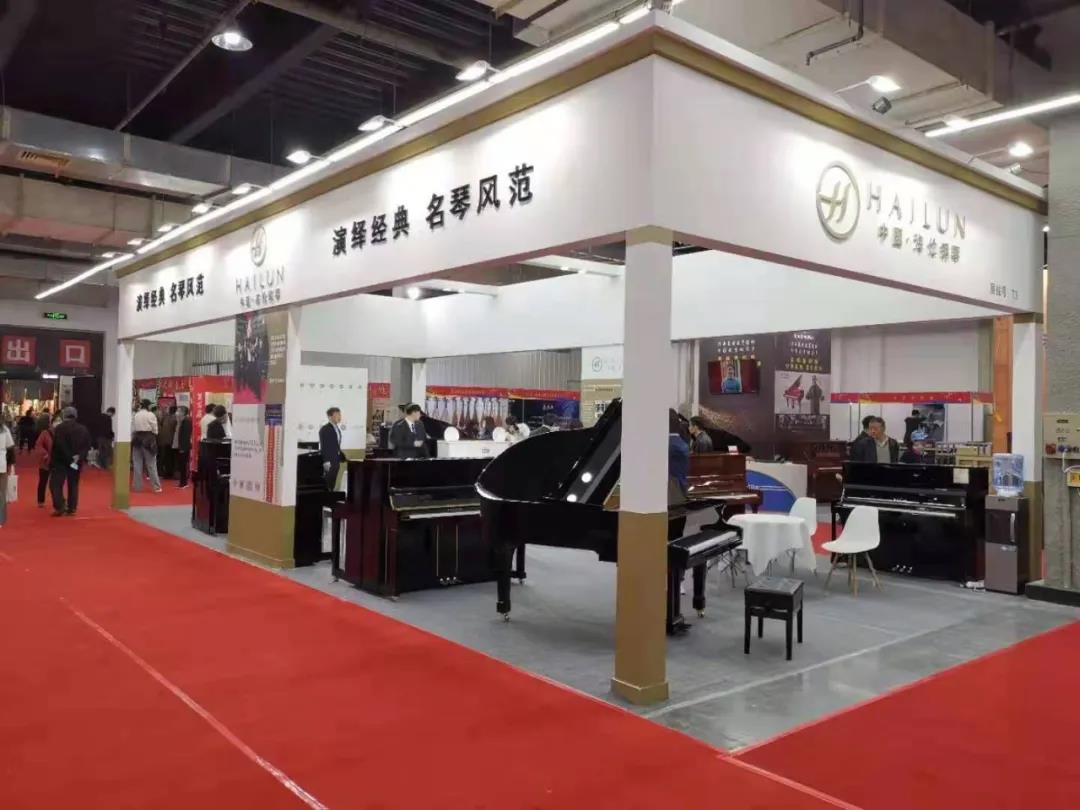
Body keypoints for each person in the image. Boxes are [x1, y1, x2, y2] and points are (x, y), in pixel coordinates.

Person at [50, 406, 91, 516]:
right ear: (75, 416)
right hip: (75, 462)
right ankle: (72, 508)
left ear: (64, 415)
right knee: (73, 484)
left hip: (60, 462)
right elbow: (87, 445)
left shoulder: (59, 428)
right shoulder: (83, 429)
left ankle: (59, 506)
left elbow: (58, 445)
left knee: (56, 484)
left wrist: (67, 457)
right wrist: (79, 456)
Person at [131, 399, 162, 493]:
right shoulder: (150, 415)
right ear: (148, 406)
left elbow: (133, 428)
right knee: (151, 464)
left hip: (137, 439)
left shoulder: (136, 415)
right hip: (148, 439)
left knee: (137, 464)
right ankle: (156, 487)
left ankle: (137, 487)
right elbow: (155, 429)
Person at [34, 415, 60, 508]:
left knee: (56, 483)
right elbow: (38, 445)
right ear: (50, 423)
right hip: (45, 462)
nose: (58, 422)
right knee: (43, 481)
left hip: (57, 461)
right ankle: (40, 501)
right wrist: (45, 454)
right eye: (56, 420)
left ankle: (58, 501)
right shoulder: (45, 433)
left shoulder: (60, 432)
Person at [319, 407, 347, 490]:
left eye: (340, 414)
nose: (339, 416)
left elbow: (336, 445)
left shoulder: (336, 428)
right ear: (330, 417)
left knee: (333, 482)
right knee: (327, 482)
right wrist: (326, 461)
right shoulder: (325, 429)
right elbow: (324, 447)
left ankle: (330, 496)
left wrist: (341, 455)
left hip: (336, 460)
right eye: (337, 414)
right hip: (329, 461)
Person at [175, 406, 192, 489]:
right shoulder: (182, 421)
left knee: (183, 465)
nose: (177, 413)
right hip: (182, 446)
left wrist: (182, 448)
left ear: (183, 412)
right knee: (182, 465)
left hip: (184, 447)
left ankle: (184, 483)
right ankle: (182, 482)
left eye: (179, 411)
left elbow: (186, 436)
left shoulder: (186, 422)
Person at [158, 405, 178, 479]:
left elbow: (161, 424)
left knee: (166, 457)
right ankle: (171, 473)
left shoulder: (165, 417)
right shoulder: (176, 418)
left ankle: (166, 473)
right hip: (172, 441)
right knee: (172, 458)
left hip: (164, 440)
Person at [0, 418, 13, 528]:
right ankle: (1, 519)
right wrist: (10, 464)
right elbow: (10, 448)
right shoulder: (4, 429)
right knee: (1, 493)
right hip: (1, 464)